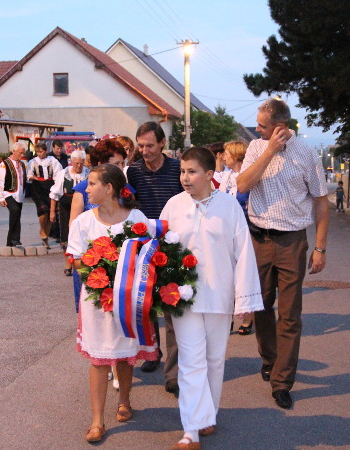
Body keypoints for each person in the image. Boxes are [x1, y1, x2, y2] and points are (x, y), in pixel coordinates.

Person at [161, 147, 263, 450]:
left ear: (209, 174)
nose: (185, 177)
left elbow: (243, 253)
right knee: (191, 361)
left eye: (192, 172)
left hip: (220, 295)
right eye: (182, 171)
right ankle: (190, 430)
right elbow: (160, 250)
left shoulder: (229, 207)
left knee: (215, 360)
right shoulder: (173, 205)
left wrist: (244, 299)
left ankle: (209, 414)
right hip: (183, 298)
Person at [237, 98, 329, 410]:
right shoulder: (255, 148)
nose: (257, 129)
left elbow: (321, 201)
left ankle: (282, 382)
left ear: (281, 126)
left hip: (292, 242)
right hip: (259, 239)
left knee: (289, 315)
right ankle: (270, 359)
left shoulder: (307, 154)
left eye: (262, 126)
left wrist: (320, 247)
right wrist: (269, 151)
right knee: (261, 306)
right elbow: (243, 185)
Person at [66, 164, 158, 444]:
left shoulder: (136, 218)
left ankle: (124, 401)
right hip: (97, 299)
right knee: (99, 360)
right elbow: (75, 259)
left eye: (92, 183)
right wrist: (100, 267)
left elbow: (150, 253)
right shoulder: (83, 221)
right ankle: (97, 421)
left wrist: (126, 272)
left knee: (126, 353)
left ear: (109, 188)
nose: (87, 188)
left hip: (128, 299)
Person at [126, 121, 183, 393]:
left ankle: (174, 370)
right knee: (145, 303)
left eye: (150, 145)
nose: (145, 151)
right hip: (145, 245)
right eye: (141, 146)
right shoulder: (133, 172)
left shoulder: (177, 169)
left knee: (171, 306)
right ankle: (152, 351)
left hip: (173, 244)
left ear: (162, 143)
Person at [219, 140, 254, 336]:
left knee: (244, 274)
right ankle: (229, 316)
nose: (224, 157)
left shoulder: (248, 176)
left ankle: (248, 316)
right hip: (227, 230)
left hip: (246, 229)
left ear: (236, 156)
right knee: (227, 275)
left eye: (227, 154)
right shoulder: (226, 176)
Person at [49, 150, 89, 275]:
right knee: (66, 235)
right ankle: (68, 264)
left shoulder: (88, 174)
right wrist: (52, 211)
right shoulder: (63, 173)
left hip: (83, 209)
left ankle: (82, 262)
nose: (79, 166)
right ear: (71, 162)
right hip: (66, 208)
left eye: (81, 163)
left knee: (83, 235)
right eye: (76, 163)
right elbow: (55, 194)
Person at [28, 143, 63, 248]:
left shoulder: (53, 160)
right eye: (37, 152)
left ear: (46, 151)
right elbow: (29, 175)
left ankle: (45, 236)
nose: (39, 154)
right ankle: (42, 231)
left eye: (41, 151)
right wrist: (33, 177)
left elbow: (58, 174)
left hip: (50, 187)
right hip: (37, 188)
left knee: (50, 214)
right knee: (43, 211)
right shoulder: (32, 162)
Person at [0, 142, 27, 248]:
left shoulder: (21, 164)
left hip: (19, 194)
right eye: (20, 153)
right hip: (8, 193)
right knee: (15, 210)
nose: (22, 155)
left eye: (23, 153)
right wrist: (0, 197)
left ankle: (10, 242)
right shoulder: (5, 164)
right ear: (13, 151)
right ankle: (15, 238)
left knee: (16, 215)